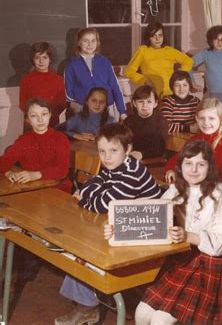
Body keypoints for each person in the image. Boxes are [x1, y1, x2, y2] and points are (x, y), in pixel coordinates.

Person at [107, 140, 222, 324]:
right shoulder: (175, 189)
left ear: (209, 167)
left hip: (210, 263)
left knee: (159, 321)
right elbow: (152, 222)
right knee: (141, 314)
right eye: (188, 163)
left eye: (200, 164)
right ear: (180, 166)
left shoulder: (221, 193)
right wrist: (118, 230)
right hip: (181, 259)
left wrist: (188, 236)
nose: (193, 170)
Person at [54, 123, 162, 325]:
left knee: (83, 247)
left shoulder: (132, 173)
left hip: (146, 236)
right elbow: (93, 183)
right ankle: (87, 301)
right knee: (78, 241)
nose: (106, 157)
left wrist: (84, 198)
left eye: (113, 150)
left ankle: (87, 306)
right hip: (123, 225)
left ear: (128, 150)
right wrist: (91, 194)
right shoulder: (114, 166)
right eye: (102, 151)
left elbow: (101, 204)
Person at [0, 98, 71, 192]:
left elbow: (62, 170)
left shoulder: (61, 139)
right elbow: (4, 161)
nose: (40, 119)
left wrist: (36, 175)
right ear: (27, 120)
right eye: (34, 115)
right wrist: (8, 173)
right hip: (32, 188)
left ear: (50, 115)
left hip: (58, 188)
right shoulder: (23, 140)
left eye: (44, 114)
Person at [164, 98, 222, 187]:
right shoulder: (196, 139)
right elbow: (178, 158)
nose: (206, 123)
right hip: (198, 184)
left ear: (221, 119)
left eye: (211, 118)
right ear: (196, 119)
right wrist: (170, 169)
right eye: (202, 118)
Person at [64, 27, 127, 120]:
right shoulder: (72, 64)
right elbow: (69, 93)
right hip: (83, 111)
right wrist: (83, 107)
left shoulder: (105, 62)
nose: (90, 44)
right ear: (78, 43)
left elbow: (115, 87)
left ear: (97, 43)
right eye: (86, 41)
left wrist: (122, 112)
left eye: (93, 41)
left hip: (107, 110)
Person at [124, 21, 193, 96]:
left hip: (170, 93)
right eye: (154, 35)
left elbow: (188, 61)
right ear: (148, 37)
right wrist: (145, 80)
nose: (157, 39)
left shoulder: (169, 50)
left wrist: (177, 76)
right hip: (152, 93)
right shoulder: (142, 50)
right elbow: (129, 71)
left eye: (160, 35)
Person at [19, 41, 66, 127]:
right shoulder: (26, 79)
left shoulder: (58, 79)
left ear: (50, 59)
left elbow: (62, 104)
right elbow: (22, 104)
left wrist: (48, 115)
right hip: (32, 122)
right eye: (37, 58)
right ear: (33, 60)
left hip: (52, 121)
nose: (41, 61)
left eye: (45, 57)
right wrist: (35, 116)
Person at [124, 85, 168, 159]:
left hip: (153, 159)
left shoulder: (161, 122)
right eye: (140, 102)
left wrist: (142, 154)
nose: (145, 105)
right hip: (130, 157)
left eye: (149, 102)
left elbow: (160, 148)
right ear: (134, 103)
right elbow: (123, 142)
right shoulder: (128, 121)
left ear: (155, 103)